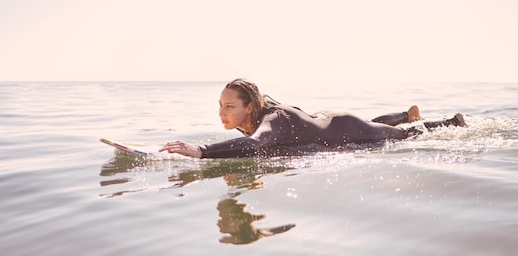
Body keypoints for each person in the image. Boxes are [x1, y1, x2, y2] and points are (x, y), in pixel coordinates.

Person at [159, 78, 466, 158]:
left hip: (345, 129)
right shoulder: (258, 111)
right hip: (325, 120)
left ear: (249, 108)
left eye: (229, 107)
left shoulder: (271, 122)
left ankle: (452, 122)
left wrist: (201, 151)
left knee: (402, 137)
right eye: (220, 105)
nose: (222, 113)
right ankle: (404, 114)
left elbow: (254, 146)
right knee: (380, 125)